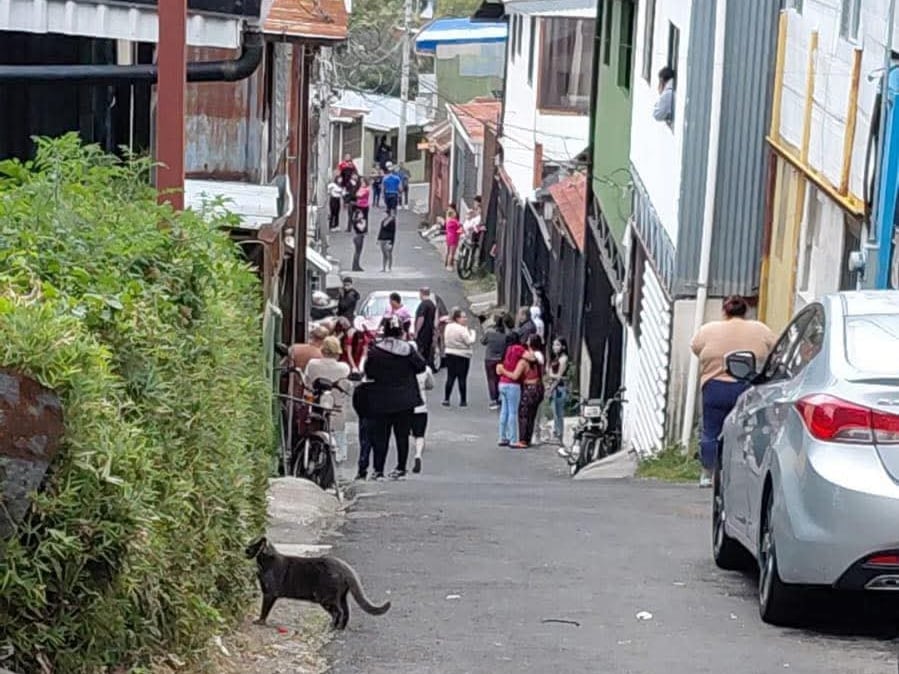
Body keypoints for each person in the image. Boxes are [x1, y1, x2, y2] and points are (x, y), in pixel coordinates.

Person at [690, 295, 776, 488]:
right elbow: (775, 349)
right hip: (747, 387)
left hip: (714, 387)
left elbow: (695, 348)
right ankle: (747, 474)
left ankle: (707, 474)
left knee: (711, 431)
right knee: (749, 431)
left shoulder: (708, 329)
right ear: (746, 312)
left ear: (724, 311)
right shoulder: (760, 329)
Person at [355, 315, 426, 480]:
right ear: (401, 331)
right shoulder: (408, 349)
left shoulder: (376, 350)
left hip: (381, 398)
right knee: (402, 435)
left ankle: (378, 470)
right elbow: (421, 366)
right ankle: (401, 468)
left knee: (381, 436)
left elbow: (369, 372)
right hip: (405, 399)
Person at [305, 336, 352, 463]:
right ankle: (339, 459)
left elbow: (306, 382)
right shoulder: (344, 368)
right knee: (339, 433)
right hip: (336, 408)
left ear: (323, 350)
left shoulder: (312, 364)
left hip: (316, 406)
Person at [501, 334, 543, 448]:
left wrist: (503, 371)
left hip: (529, 388)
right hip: (539, 387)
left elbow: (515, 376)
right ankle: (528, 438)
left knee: (524, 414)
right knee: (532, 415)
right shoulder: (539, 359)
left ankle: (523, 440)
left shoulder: (523, 362)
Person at [496, 333, 527, 446]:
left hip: (502, 383)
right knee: (513, 412)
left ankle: (502, 437)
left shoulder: (506, 350)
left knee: (504, 411)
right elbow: (530, 356)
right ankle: (513, 439)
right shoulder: (517, 348)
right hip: (512, 384)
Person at [442, 308, 476, 407]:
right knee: (462, 378)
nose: (465, 319)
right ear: (457, 318)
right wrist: (472, 333)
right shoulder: (462, 329)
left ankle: (446, 398)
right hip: (462, 354)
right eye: (463, 317)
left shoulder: (448, 327)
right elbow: (469, 341)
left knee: (450, 377)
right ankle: (463, 400)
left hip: (450, 353)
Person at [481, 311, 514, 410]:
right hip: (500, 359)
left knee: (491, 379)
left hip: (489, 358)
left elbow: (483, 341)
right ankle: (500, 397)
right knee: (499, 378)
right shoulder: (506, 336)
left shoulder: (490, 333)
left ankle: (493, 399)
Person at [411, 364, 434, 474]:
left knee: (402, 432)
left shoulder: (398, 367)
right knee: (420, 435)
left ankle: (402, 462)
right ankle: (418, 454)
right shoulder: (425, 369)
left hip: (404, 406)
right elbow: (430, 385)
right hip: (421, 406)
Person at [546, 337, 570, 442]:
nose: (554, 347)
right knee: (554, 411)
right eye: (553, 345)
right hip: (553, 386)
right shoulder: (555, 358)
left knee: (558, 412)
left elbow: (559, 376)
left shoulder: (563, 359)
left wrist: (551, 387)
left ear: (563, 347)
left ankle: (559, 434)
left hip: (559, 388)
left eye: (557, 345)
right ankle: (556, 433)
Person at [414, 286, 438, 368]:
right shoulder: (432, 304)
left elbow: (421, 318)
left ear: (421, 293)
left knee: (420, 352)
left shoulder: (423, 305)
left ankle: (421, 367)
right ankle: (427, 367)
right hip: (429, 332)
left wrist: (417, 331)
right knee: (427, 352)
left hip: (423, 333)